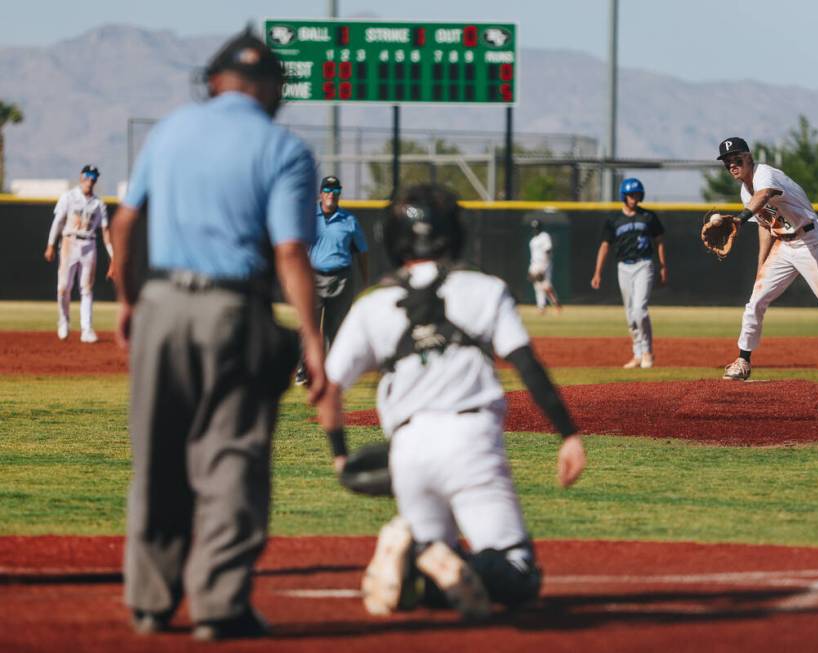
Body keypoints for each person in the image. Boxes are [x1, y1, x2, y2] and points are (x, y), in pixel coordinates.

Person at [108, 30, 325, 641]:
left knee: (157, 454)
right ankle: (218, 604)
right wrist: (313, 337)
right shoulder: (284, 148)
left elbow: (125, 225)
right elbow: (289, 252)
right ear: (271, 90)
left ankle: (150, 601)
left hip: (161, 303)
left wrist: (128, 301)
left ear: (214, 82)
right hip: (233, 310)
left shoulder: (171, 129)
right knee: (231, 456)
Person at [318, 184, 586, 620]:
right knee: (518, 574)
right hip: (470, 440)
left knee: (436, 563)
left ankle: (415, 562)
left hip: (407, 450)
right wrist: (568, 434)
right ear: (453, 233)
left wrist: (339, 455)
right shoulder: (485, 289)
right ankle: (428, 564)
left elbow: (327, 389)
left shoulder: (373, 306)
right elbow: (526, 364)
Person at [714, 136, 818, 386]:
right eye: (727, 162)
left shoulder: (765, 175)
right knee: (755, 301)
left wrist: (740, 219)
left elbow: (763, 196)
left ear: (749, 157)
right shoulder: (745, 192)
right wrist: (760, 267)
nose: (732, 164)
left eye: (736, 158)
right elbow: (766, 226)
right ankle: (743, 361)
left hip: (813, 241)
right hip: (784, 245)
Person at [295, 174, 369, 386]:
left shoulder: (349, 221)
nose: (331, 195)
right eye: (328, 190)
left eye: (336, 191)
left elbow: (362, 252)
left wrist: (365, 279)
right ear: (321, 193)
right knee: (308, 326)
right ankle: (305, 367)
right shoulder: (309, 217)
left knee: (335, 329)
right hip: (313, 277)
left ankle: (330, 373)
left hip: (341, 279)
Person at [590, 177, 668, 369]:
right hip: (623, 267)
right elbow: (604, 246)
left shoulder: (648, 217)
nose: (634, 198)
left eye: (637, 194)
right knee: (630, 315)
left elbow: (659, 241)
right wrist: (597, 272)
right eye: (631, 195)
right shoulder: (614, 219)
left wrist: (663, 265)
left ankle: (648, 352)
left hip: (644, 264)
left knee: (639, 310)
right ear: (624, 196)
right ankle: (637, 354)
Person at [44, 164, 113, 343]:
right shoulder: (69, 197)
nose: (91, 179)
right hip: (69, 242)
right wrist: (51, 244)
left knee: (87, 288)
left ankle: (87, 329)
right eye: (89, 174)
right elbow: (58, 221)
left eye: (94, 176)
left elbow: (105, 230)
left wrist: (112, 256)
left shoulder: (99, 203)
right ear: (81, 176)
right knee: (64, 287)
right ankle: (64, 321)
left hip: (89, 244)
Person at [527, 218, 561, 314]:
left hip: (544, 263)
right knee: (537, 287)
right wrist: (531, 269)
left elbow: (548, 251)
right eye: (534, 228)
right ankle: (541, 307)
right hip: (534, 264)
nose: (535, 229)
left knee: (546, 287)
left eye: (537, 227)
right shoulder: (532, 240)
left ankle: (556, 304)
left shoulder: (544, 236)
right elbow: (533, 256)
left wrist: (543, 268)